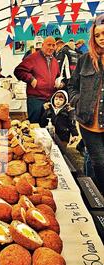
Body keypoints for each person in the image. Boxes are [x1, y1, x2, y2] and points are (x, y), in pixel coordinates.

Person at [68, 13, 104, 195]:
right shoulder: (85, 60)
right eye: (97, 35)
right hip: (89, 124)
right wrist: (78, 102)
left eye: (103, 33)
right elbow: (71, 86)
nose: (101, 38)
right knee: (99, 163)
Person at [14, 36, 61, 125]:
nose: (51, 47)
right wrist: (31, 79)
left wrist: (59, 82)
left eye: (53, 45)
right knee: (34, 127)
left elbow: (57, 76)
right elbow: (18, 71)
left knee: (47, 127)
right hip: (35, 99)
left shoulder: (55, 61)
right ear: (43, 45)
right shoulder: (33, 57)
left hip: (49, 100)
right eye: (49, 45)